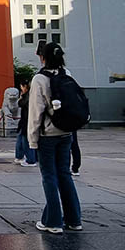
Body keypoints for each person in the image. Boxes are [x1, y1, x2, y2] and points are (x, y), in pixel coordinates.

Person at [28, 42, 82, 233]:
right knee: (65, 174)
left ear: (43, 57)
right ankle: (74, 219)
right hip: (66, 133)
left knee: (49, 177)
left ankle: (52, 222)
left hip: (48, 134)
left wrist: (32, 140)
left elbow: (35, 112)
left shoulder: (39, 79)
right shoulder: (67, 74)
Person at [14, 80, 37, 166]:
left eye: (22, 87)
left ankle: (31, 159)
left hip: (27, 121)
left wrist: (22, 96)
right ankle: (19, 156)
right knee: (21, 138)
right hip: (25, 120)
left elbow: (21, 103)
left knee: (26, 140)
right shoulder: (29, 95)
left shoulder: (28, 96)